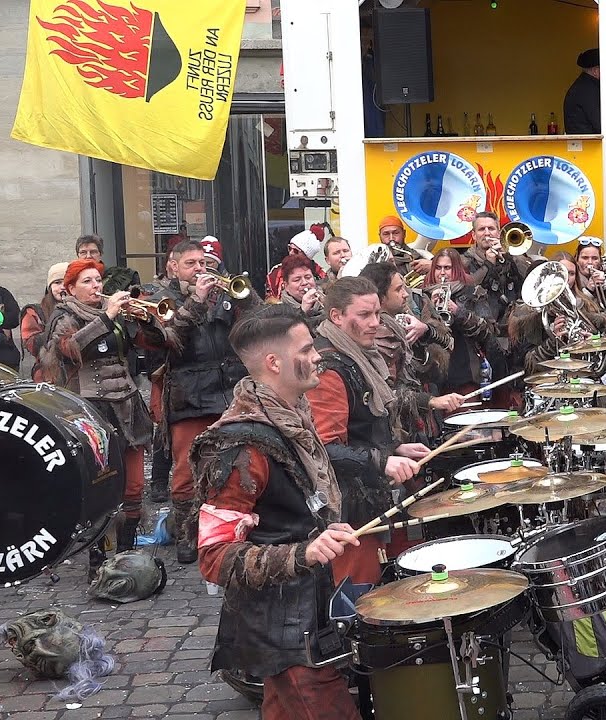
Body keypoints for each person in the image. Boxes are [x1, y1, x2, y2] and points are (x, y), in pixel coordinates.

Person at [191, 305, 362, 720]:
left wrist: (319, 528)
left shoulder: (292, 419)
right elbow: (213, 558)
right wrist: (302, 552)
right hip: (280, 627)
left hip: (306, 611)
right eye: (307, 348)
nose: (319, 355)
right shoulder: (240, 447)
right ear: (274, 362)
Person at [305, 277, 425, 584]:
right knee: (359, 592)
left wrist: (394, 449)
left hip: (367, 491)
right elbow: (324, 448)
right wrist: (382, 461)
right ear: (337, 317)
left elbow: (361, 427)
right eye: (364, 315)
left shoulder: (360, 356)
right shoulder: (329, 368)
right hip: (347, 507)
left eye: (377, 314)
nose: (375, 323)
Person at [40, 259, 163, 550]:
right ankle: (98, 561)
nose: (96, 286)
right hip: (92, 410)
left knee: (134, 487)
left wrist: (146, 320)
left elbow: (153, 343)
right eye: (87, 281)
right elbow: (68, 350)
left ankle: (127, 552)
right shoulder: (64, 315)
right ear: (69, 289)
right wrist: (106, 317)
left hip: (128, 406)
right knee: (102, 487)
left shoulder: (117, 313)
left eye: (98, 280)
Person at [162, 238, 263, 563]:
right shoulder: (163, 299)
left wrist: (244, 295)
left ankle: (235, 529)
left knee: (239, 465)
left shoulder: (225, 293)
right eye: (190, 263)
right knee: (186, 473)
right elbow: (170, 340)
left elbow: (258, 322)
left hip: (230, 392)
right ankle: (188, 536)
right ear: (173, 266)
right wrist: (196, 301)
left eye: (203, 263)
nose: (199, 269)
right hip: (189, 395)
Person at [357, 261, 459, 444]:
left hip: (420, 417)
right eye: (398, 290)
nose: (406, 294)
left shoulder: (408, 315)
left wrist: (426, 330)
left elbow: (448, 346)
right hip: (397, 430)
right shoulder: (376, 336)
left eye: (404, 287)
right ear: (380, 297)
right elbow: (387, 392)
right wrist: (431, 401)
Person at [429, 248, 510, 405]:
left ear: (457, 269)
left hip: (465, 372)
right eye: (438, 268)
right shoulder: (423, 295)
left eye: (447, 268)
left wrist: (458, 311)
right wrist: (430, 309)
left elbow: (488, 331)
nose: (442, 273)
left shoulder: (473, 293)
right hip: (434, 375)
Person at [20, 262, 68, 380]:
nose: (62, 287)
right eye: (57, 283)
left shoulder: (84, 308)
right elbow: (31, 345)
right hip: (48, 375)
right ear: (49, 287)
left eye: (67, 282)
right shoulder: (34, 312)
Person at [564, 48, 606, 135]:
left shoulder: (584, 86)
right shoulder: (588, 90)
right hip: (588, 146)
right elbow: (603, 127)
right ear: (596, 71)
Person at [266, 230, 325, 301]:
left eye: (296, 251)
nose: (291, 253)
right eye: (289, 248)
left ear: (307, 256)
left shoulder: (320, 274)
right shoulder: (276, 272)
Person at [274, 253, 325, 327]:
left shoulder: (327, 299)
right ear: (286, 286)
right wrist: (303, 311)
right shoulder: (279, 313)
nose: (304, 283)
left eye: (308, 277)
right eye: (297, 280)